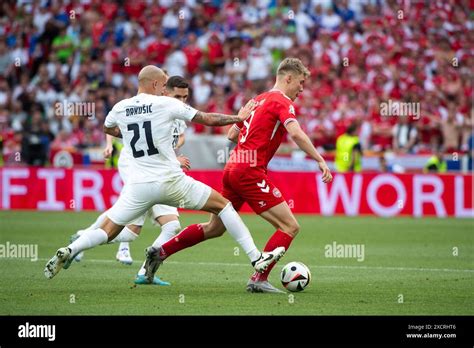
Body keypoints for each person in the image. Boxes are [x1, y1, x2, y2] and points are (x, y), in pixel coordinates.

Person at [44, 65, 285, 280]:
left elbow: (109, 128)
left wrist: (126, 135)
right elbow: (207, 119)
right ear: (157, 84)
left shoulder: (120, 107)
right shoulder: (166, 103)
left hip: (138, 185)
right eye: (162, 83)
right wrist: (238, 117)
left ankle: (71, 250)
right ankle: (255, 257)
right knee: (223, 206)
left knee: (108, 231)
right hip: (171, 181)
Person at [143, 58, 333, 293]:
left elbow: (233, 134)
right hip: (249, 171)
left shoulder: (257, 100)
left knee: (215, 228)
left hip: (233, 167)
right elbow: (296, 132)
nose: (302, 88)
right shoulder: (281, 101)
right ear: (288, 78)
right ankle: (259, 278)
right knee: (289, 226)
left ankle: (160, 252)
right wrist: (319, 159)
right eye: (301, 82)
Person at [71, 76, 192, 286]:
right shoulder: (149, 107)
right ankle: (89, 241)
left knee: (169, 226)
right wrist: (109, 144)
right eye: (177, 96)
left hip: (158, 169)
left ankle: (86, 238)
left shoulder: (176, 112)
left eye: (185, 97)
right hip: (138, 166)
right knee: (133, 228)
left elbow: (178, 137)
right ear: (163, 91)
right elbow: (114, 125)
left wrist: (173, 151)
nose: (182, 101)